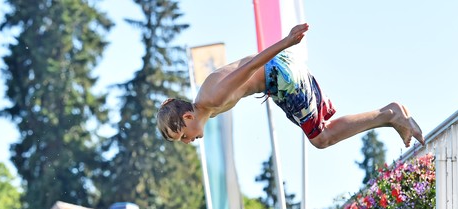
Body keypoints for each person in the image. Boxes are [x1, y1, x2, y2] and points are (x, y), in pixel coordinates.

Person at [156, 23, 424, 149]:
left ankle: (390, 115)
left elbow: (250, 66)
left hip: (281, 74)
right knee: (323, 135)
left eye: (183, 136)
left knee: (322, 138)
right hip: (278, 82)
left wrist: (286, 41)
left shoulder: (212, 98)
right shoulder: (208, 108)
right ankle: (390, 116)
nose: (188, 142)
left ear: (188, 117)